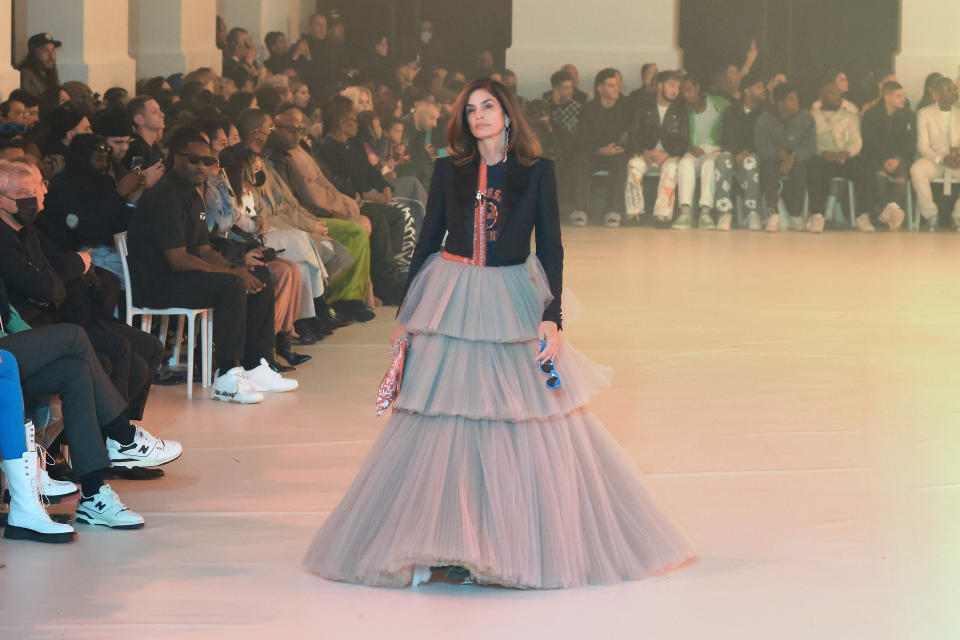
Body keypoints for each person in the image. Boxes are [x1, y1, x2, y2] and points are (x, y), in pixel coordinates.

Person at [303, 77, 695, 589]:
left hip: (512, 297)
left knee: (523, 414)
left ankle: (507, 541)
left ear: (508, 114)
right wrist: (407, 313)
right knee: (443, 416)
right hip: (454, 296)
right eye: (471, 110)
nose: (479, 116)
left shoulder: (536, 173)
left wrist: (552, 316)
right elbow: (427, 240)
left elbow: (551, 245)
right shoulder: (448, 170)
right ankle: (447, 539)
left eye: (488, 107)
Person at [125, 128, 297, 403]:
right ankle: (227, 373)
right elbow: (178, 259)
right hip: (157, 283)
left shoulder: (192, 195)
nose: (203, 166)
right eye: (195, 159)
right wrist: (232, 273)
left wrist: (238, 267)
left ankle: (255, 364)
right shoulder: (165, 196)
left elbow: (204, 249)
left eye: (209, 161)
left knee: (259, 273)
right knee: (231, 285)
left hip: (182, 277)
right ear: (175, 158)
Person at [624, 70, 689, 226]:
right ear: (659, 86)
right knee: (634, 166)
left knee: (671, 169)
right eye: (671, 85)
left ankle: (662, 215)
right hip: (646, 153)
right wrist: (643, 151)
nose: (676, 90)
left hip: (669, 155)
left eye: (678, 87)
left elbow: (684, 139)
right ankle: (634, 213)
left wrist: (668, 154)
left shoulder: (681, 109)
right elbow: (632, 135)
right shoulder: (644, 106)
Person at [569, 68, 632, 227]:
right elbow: (582, 137)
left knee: (621, 160)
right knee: (581, 159)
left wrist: (616, 147)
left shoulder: (624, 108)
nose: (616, 88)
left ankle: (613, 211)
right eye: (611, 85)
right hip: (593, 152)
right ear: (600, 88)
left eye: (617, 85)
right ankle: (580, 210)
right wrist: (599, 149)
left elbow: (628, 135)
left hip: (615, 152)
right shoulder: (589, 109)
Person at [754, 83, 816, 232]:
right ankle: (773, 214)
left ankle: (795, 215)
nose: (796, 102)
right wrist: (778, 154)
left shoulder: (806, 117)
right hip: (772, 159)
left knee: (800, 169)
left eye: (796, 99)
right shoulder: (766, 118)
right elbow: (761, 145)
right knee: (767, 168)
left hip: (796, 159)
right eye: (791, 99)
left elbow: (810, 146)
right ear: (780, 102)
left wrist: (791, 157)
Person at [713, 71, 766, 231]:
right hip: (734, 153)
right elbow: (727, 138)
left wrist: (747, 151)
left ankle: (752, 213)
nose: (763, 90)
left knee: (750, 162)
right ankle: (724, 213)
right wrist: (736, 153)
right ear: (747, 91)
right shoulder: (731, 112)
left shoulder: (764, 114)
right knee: (722, 160)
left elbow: (763, 140)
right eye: (759, 87)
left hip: (755, 155)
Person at [676, 73, 729, 229]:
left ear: (698, 87)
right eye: (682, 92)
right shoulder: (682, 109)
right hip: (694, 150)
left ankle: (705, 212)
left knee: (710, 165)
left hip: (715, 150)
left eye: (688, 90)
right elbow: (678, 135)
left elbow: (734, 127)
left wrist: (723, 146)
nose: (685, 95)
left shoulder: (719, 104)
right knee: (685, 163)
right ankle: (685, 211)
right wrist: (689, 148)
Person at [857, 81, 913, 232]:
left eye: (903, 96)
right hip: (875, 157)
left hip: (897, 158)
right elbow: (869, 142)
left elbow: (908, 143)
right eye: (899, 96)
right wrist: (884, 160)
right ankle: (890, 212)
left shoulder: (906, 115)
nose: (903, 99)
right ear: (887, 98)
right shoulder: (872, 114)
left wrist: (898, 159)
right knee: (879, 174)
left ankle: (888, 211)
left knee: (901, 174)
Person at [809, 79, 862, 232]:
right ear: (821, 97)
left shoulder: (850, 116)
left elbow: (856, 141)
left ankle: (861, 215)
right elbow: (809, 142)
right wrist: (822, 152)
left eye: (839, 93)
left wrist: (848, 152)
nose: (837, 97)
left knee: (864, 170)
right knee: (813, 170)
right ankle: (818, 215)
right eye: (832, 93)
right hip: (823, 158)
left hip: (844, 157)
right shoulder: (812, 116)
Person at [911, 77, 960, 230]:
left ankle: (958, 216)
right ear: (936, 93)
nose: (953, 92)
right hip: (935, 161)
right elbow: (922, 145)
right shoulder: (924, 113)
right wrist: (940, 159)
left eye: (954, 89)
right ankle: (931, 214)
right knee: (917, 170)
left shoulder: (959, 113)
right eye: (948, 89)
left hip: (956, 162)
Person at [18, 33, 61, 98]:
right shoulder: (26, 75)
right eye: (45, 51)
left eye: (53, 50)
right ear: (33, 54)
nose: (51, 56)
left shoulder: (49, 73)